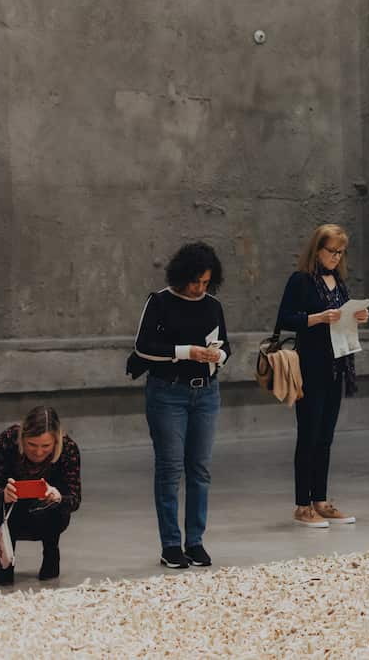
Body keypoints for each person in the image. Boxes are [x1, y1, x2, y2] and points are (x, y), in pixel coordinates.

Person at [133, 241, 230, 569]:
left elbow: (226, 345)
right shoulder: (159, 302)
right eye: (194, 281)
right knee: (170, 468)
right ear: (181, 276)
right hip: (168, 393)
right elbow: (143, 347)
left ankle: (196, 541)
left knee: (200, 469)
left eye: (205, 282)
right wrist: (186, 352)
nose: (199, 288)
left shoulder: (213, 305)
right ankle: (171, 544)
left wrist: (219, 355)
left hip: (207, 394)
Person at [278, 224, 369, 528]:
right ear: (317, 249)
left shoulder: (339, 282)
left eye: (341, 252)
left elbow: (342, 319)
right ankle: (302, 505)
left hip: (336, 365)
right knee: (308, 435)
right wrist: (317, 318)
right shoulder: (301, 280)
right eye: (332, 251)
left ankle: (320, 499)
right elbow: (285, 319)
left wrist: (358, 315)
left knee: (325, 438)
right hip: (310, 366)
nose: (336, 257)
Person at [0, 406, 81, 585]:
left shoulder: (68, 448)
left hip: (47, 515)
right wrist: (2, 494)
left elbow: (75, 498)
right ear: (22, 437)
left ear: (56, 441)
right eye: (32, 445)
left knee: (57, 510)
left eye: (46, 446)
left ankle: (51, 554)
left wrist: (58, 497)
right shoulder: (8, 439)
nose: (38, 452)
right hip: (10, 512)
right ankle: (6, 560)